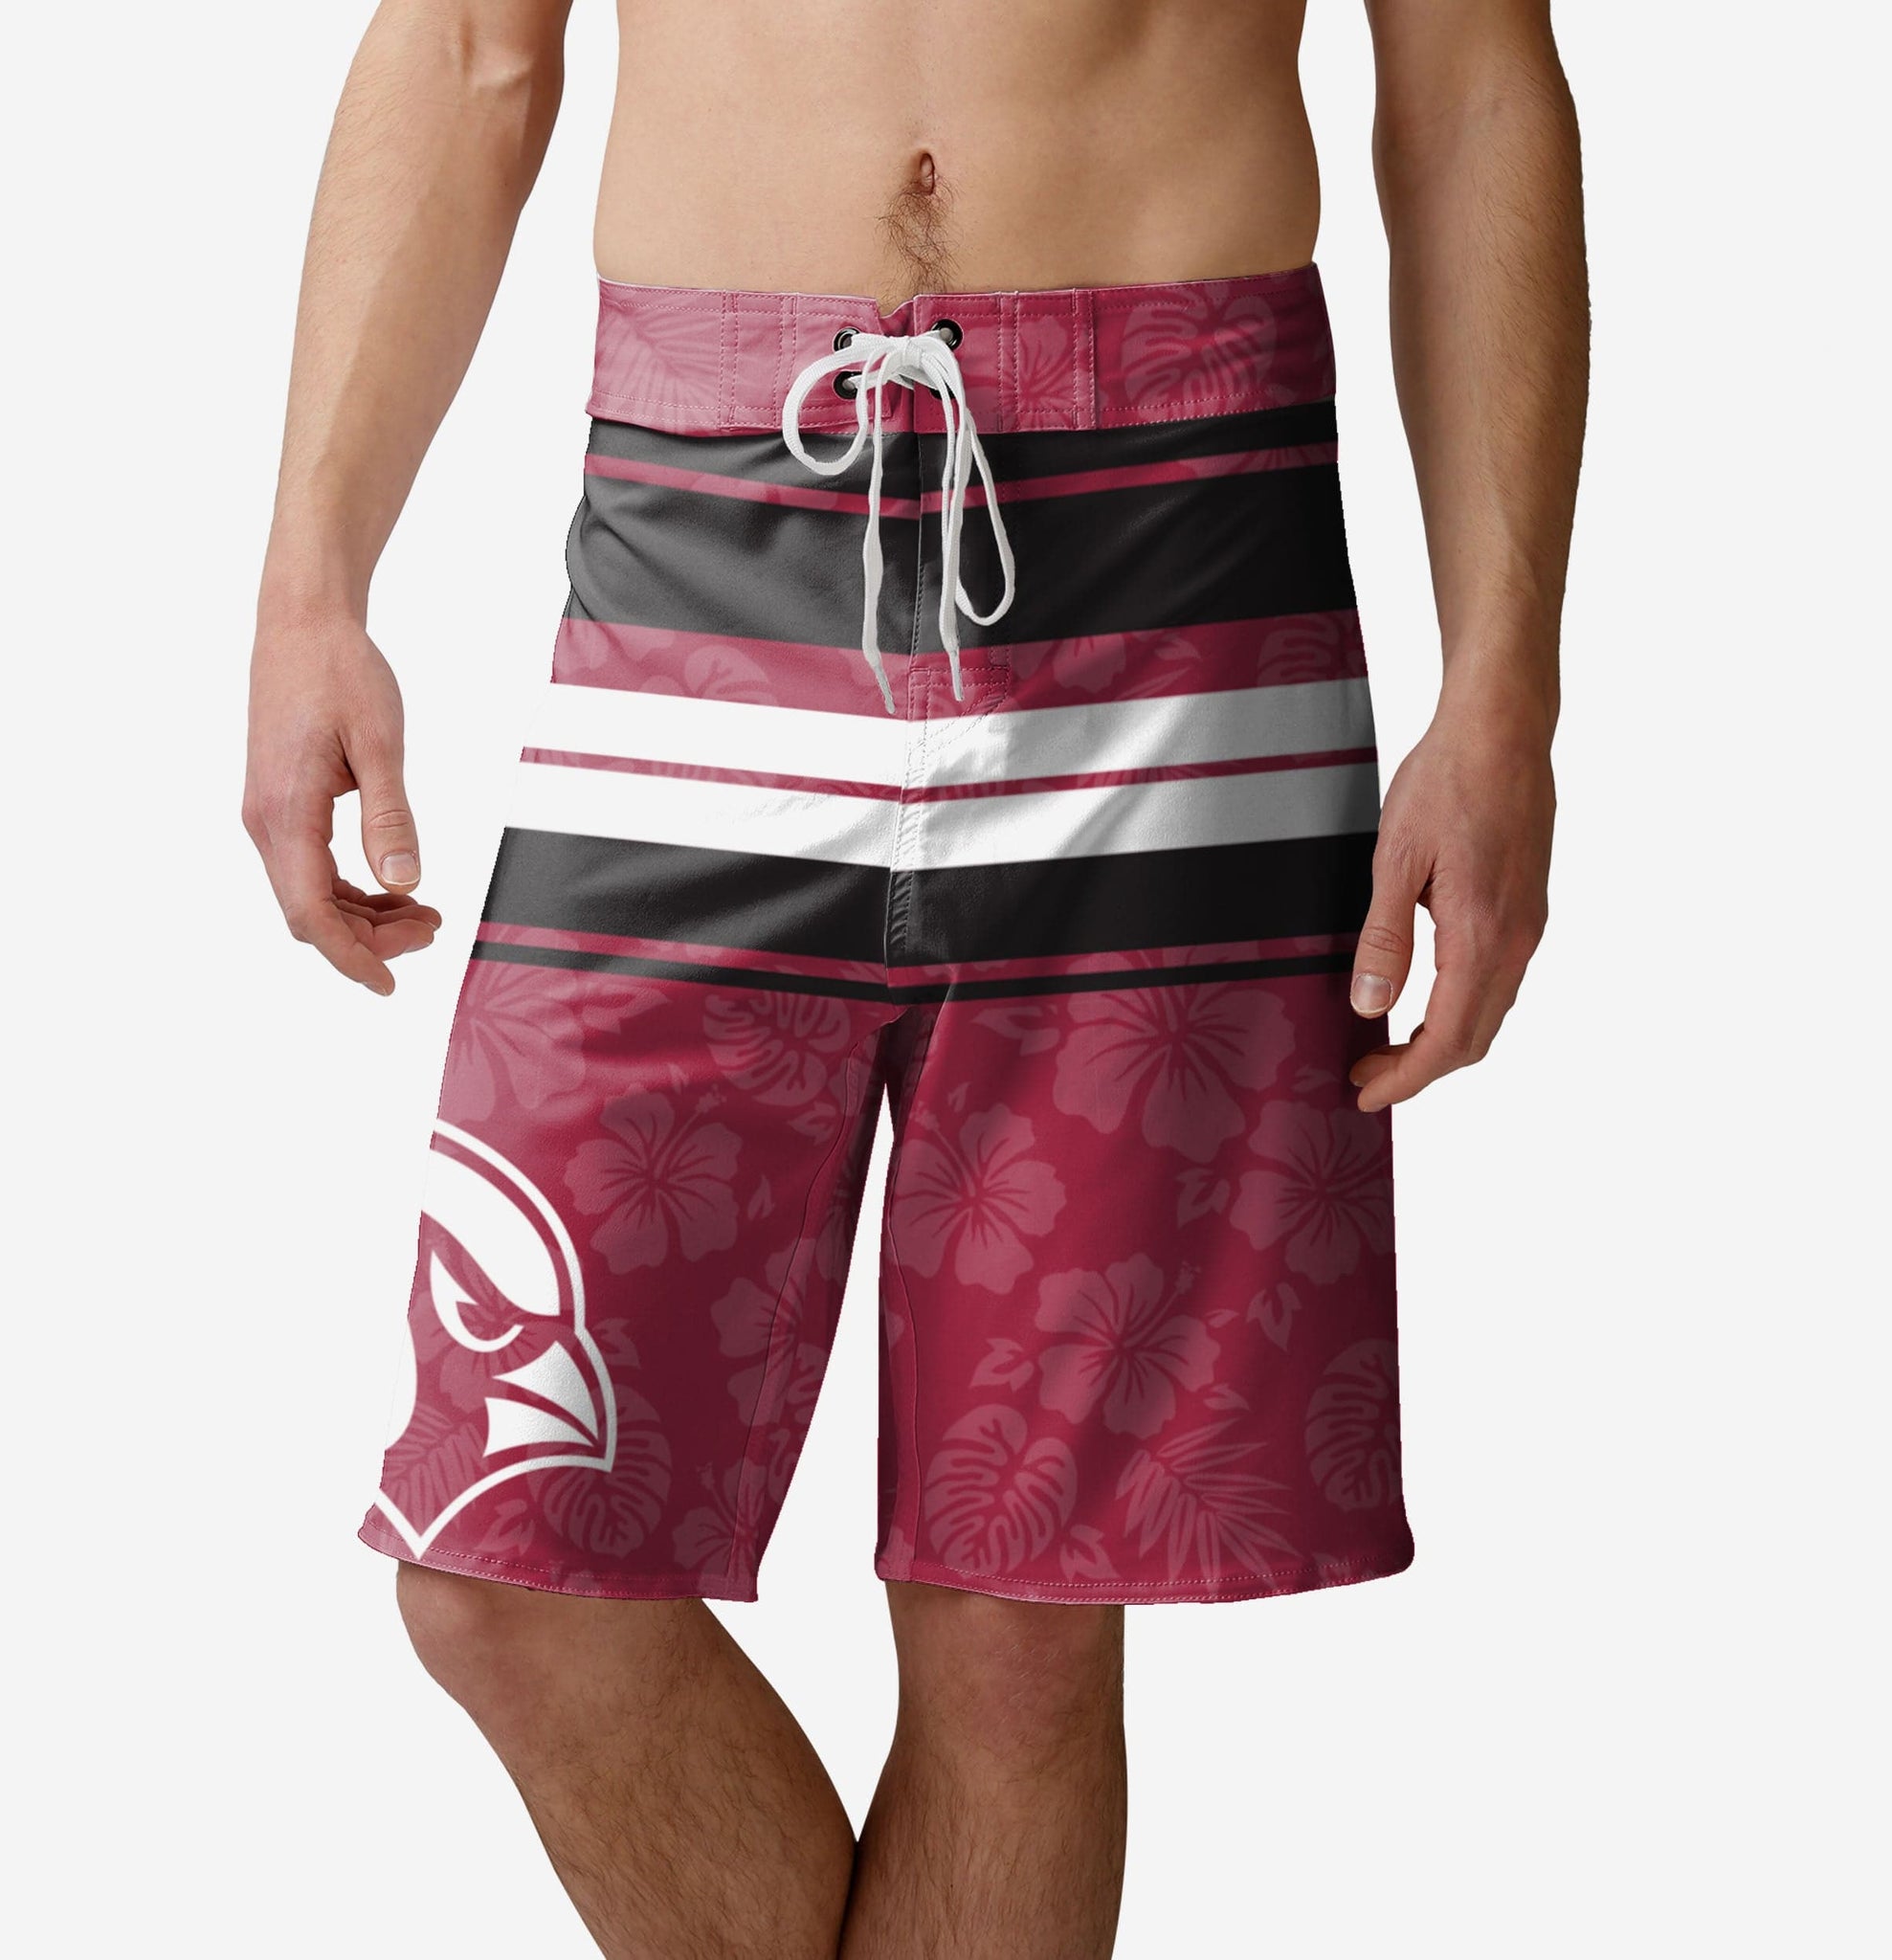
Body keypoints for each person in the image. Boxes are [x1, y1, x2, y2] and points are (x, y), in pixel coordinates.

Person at [243, 2, 1586, 1952]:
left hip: (1181, 567)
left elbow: (1467, 84)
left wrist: (1505, 693)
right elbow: (467, 48)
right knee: (504, 1566)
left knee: (1020, 1619)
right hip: (699, 543)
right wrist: (311, 585)